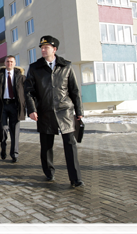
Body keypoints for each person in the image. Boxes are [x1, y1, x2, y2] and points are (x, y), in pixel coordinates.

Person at [24, 36, 85, 188]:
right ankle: (49, 172)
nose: (43, 50)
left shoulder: (66, 66)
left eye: (46, 47)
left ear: (54, 49)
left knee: (70, 145)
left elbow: (75, 91)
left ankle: (76, 179)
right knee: (46, 146)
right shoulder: (34, 68)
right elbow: (28, 92)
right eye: (41, 47)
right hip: (44, 112)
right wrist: (32, 109)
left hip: (65, 112)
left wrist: (79, 111)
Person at [0, 55, 26, 163]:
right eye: (8, 61)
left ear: (15, 63)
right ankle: (3, 147)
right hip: (2, 105)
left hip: (15, 106)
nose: (10, 63)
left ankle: (14, 153)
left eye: (12, 62)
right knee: (2, 129)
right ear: (4, 63)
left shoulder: (21, 77)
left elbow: (25, 93)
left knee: (15, 131)